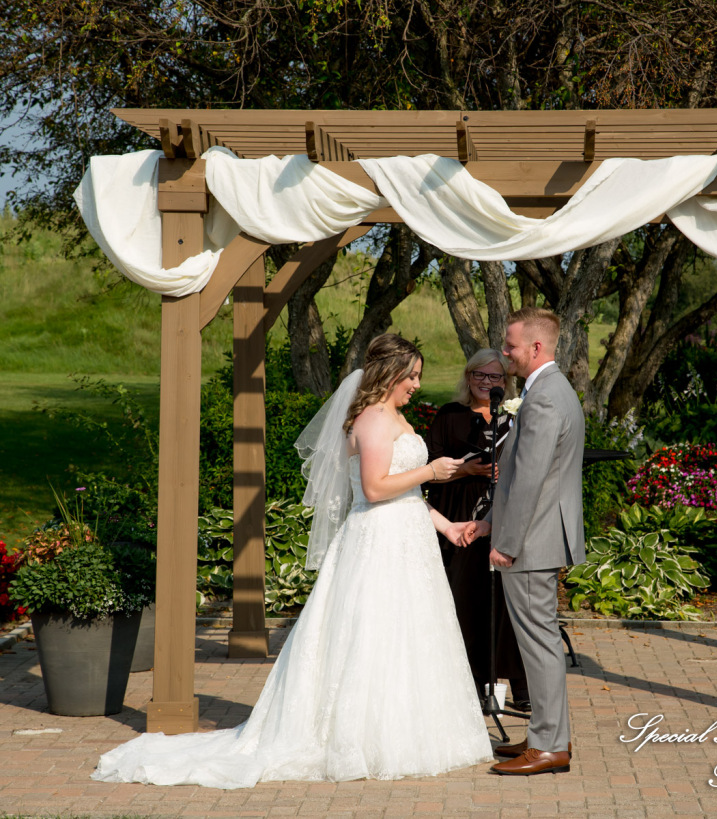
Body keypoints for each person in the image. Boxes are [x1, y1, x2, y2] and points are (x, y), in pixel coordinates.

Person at [92, 334, 494, 788]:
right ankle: (361, 740)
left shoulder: (394, 416)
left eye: (418, 377)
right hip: (377, 543)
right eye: (412, 376)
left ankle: (414, 732)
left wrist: (446, 525)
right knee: (372, 635)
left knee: (409, 635)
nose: (417, 385)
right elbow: (376, 489)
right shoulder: (373, 419)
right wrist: (433, 469)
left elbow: (407, 494)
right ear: (390, 372)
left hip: (407, 539)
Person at [465, 307, 585, 776]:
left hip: (532, 542)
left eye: (511, 345)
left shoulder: (545, 398)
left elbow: (532, 479)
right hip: (533, 535)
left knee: (538, 643)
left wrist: (507, 542)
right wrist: (492, 521)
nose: (505, 352)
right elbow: (522, 476)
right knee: (539, 641)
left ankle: (551, 746)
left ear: (536, 348)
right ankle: (546, 736)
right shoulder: (548, 391)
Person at [424, 349, 530, 711]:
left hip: (502, 516)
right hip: (458, 514)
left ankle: (520, 685)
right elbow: (429, 468)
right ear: (468, 378)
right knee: (465, 598)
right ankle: (470, 683)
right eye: (480, 376)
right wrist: (466, 471)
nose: (487, 383)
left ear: (506, 382)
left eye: (495, 377)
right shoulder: (450, 416)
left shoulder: (516, 417)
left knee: (506, 602)